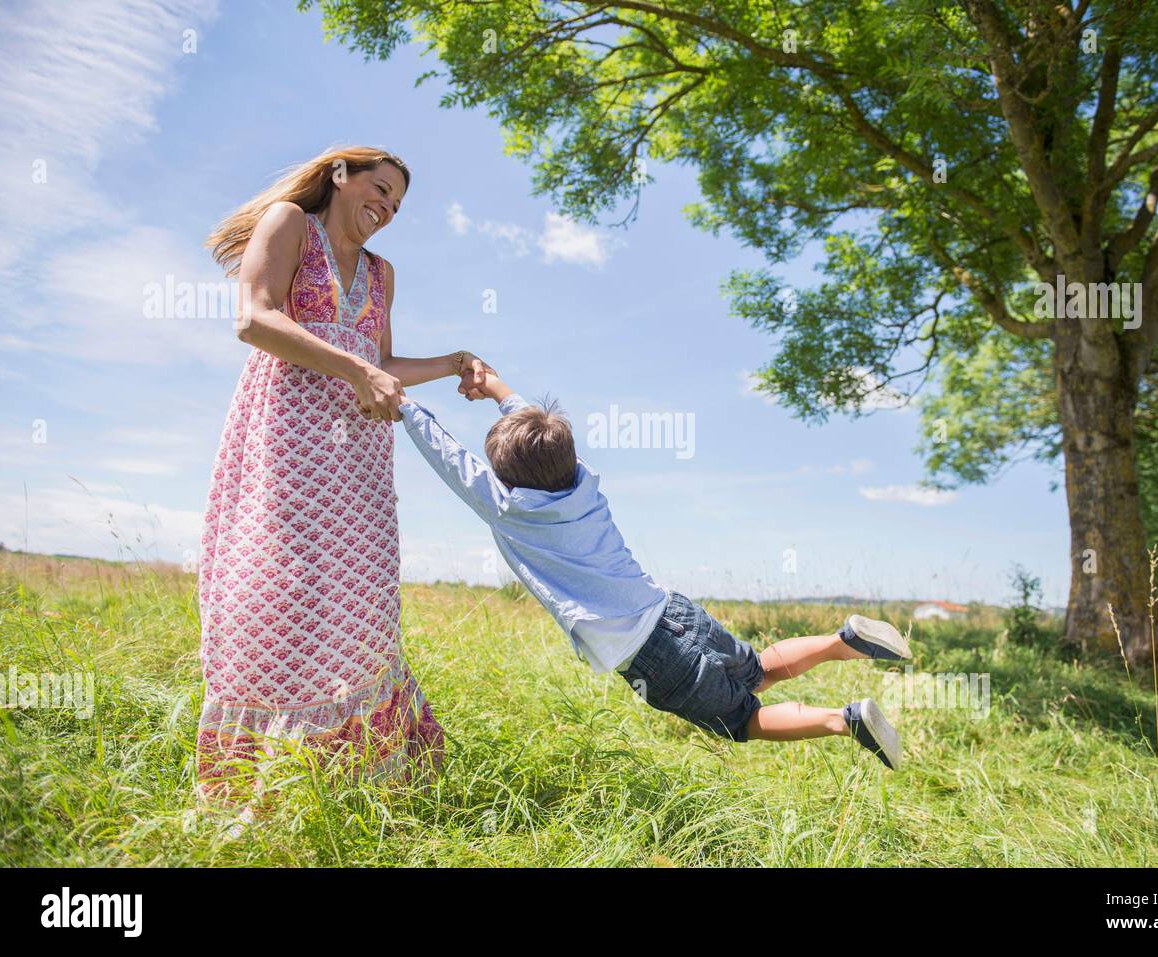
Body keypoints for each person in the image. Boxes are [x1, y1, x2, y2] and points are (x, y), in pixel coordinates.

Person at [397, 371, 908, 768]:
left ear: (506, 480)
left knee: (740, 720)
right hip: (673, 610)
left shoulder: (513, 510)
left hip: (648, 652)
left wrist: (401, 403)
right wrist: (498, 388)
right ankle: (845, 641)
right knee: (756, 670)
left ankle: (845, 721)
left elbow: (452, 463)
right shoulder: (582, 482)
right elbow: (538, 433)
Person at [197, 145, 491, 798]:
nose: (386, 207)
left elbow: (381, 358)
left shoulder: (383, 274)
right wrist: (357, 370)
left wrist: (451, 362)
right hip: (288, 444)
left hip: (357, 463)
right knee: (281, 594)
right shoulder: (289, 224)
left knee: (360, 606)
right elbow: (255, 317)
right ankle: (259, 787)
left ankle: (354, 786)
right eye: (379, 189)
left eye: (396, 202)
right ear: (338, 175)